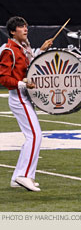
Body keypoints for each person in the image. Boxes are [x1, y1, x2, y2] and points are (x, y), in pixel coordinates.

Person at [0, 16, 53, 191]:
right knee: (35, 136)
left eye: (26, 26)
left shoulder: (22, 47)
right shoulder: (9, 50)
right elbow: (4, 78)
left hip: (23, 97)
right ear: (13, 32)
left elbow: (28, 67)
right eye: (21, 27)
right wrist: (24, 83)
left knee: (33, 136)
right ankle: (24, 175)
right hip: (19, 97)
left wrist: (41, 51)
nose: (25, 29)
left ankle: (18, 177)